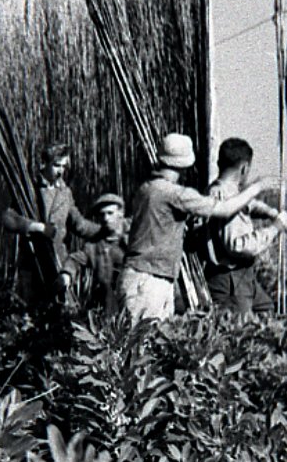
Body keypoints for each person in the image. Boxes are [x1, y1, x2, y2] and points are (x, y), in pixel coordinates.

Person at [119, 133, 279, 322]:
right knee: (143, 341)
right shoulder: (175, 194)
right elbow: (225, 208)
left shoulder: (147, 189)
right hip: (150, 280)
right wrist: (258, 187)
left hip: (140, 275)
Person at [1, 143, 107, 309]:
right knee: (31, 315)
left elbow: (78, 224)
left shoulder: (65, 192)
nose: (61, 171)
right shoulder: (29, 189)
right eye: (57, 165)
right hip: (32, 263)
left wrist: (104, 231)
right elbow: (8, 219)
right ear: (44, 163)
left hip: (57, 263)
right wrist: (39, 227)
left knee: (60, 315)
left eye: (64, 166)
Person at [202, 138, 287, 314]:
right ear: (244, 168)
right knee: (239, 332)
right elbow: (238, 246)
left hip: (239, 277)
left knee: (266, 309)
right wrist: (275, 228)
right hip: (230, 279)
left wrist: (269, 212)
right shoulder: (223, 194)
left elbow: (246, 204)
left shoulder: (220, 190)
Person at [66, 193, 130, 316]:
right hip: (109, 304)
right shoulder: (94, 245)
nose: (106, 218)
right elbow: (76, 259)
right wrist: (66, 273)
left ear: (121, 214)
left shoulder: (136, 235)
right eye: (102, 214)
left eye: (110, 213)